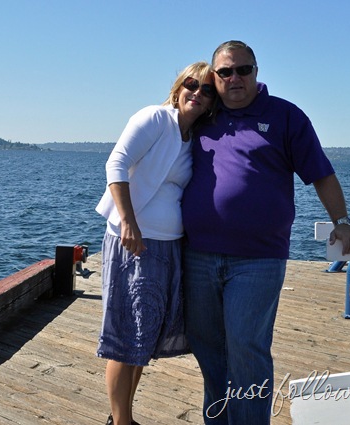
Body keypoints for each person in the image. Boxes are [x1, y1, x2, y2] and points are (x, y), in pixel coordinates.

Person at [181, 41, 350, 424]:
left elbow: (321, 173)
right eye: (225, 72)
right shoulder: (201, 114)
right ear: (213, 76)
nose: (235, 78)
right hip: (197, 254)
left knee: (246, 347)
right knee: (209, 349)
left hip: (258, 259)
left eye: (243, 70)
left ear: (256, 71)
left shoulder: (285, 116)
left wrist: (342, 221)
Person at [95, 61, 216, 425]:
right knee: (125, 335)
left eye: (207, 89)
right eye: (191, 84)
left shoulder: (192, 137)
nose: (197, 93)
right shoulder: (155, 118)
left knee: (143, 335)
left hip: (167, 247)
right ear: (178, 88)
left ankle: (123, 416)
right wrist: (128, 222)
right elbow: (116, 164)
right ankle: (121, 421)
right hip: (134, 243)